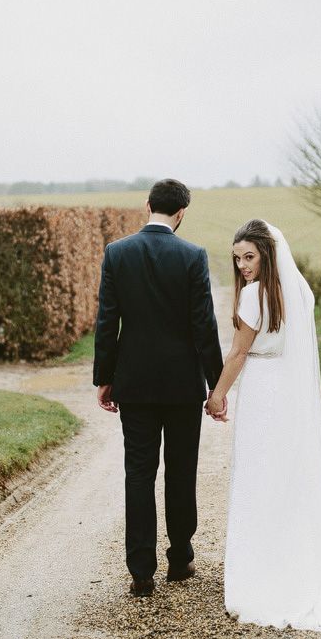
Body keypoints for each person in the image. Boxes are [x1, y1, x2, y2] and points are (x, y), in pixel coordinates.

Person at [206, 219, 321, 630]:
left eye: (249, 257)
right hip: (288, 393)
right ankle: (293, 564)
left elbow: (236, 355)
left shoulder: (254, 296)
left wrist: (217, 396)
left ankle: (263, 577)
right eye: (237, 259)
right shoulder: (299, 291)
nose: (243, 266)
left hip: (264, 389)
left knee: (257, 476)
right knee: (286, 476)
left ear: (267, 254)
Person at [93, 178, 224, 597]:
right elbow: (204, 324)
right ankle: (180, 557)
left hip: (134, 385)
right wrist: (217, 382)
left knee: (139, 473)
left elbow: (106, 320)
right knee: (181, 470)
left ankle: (140, 570)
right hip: (184, 386)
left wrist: (105, 377)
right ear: (181, 212)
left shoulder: (117, 253)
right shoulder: (192, 256)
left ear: (147, 205)